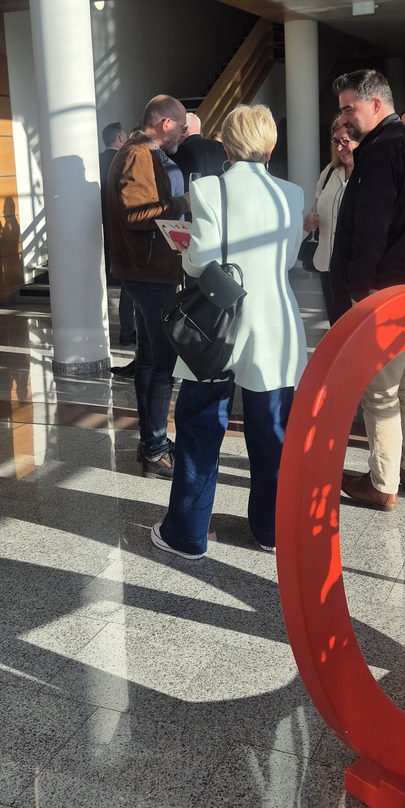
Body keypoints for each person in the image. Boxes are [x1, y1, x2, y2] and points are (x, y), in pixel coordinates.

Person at [153, 104, 306, 558]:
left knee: (200, 427)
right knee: (272, 431)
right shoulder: (291, 194)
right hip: (274, 323)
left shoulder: (209, 189)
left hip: (217, 321)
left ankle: (187, 534)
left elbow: (199, 262)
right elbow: (289, 259)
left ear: (227, 147)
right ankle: (271, 531)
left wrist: (185, 249)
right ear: (271, 147)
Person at [331, 70, 405, 510]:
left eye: (350, 108)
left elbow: (371, 229)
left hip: (387, 291)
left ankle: (383, 484)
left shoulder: (380, 152)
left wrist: (359, 290)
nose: (345, 118)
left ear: (376, 105)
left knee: (381, 391)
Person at [106, 95, 190, 478]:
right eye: (182, 127)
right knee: (162, 362)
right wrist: (182, 202)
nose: (184, 134)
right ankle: (155, 450)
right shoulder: (139, 154)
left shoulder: (137, 151)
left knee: (149, 357)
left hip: (144, 270)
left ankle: (150, 441)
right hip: (148, 272)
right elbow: (138, 214)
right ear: (166, 124)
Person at [303, 117, 357, 325]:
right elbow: (316, 209)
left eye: (346, 141)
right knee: (337, 326)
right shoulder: (329, 173)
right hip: (327, 265)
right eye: (336, 142)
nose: (340, 148)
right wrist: (310, 220)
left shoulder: (370, 173)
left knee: (356, 329)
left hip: (354, 267)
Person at [98, 121, 135, 352]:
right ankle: (127, 329)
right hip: (120, 229)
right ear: (121, 138)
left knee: (97, 279)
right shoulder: (124, 161)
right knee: (128, 282)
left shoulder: (96, 161)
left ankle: (97, 328)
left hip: (96, 228)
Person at [171, 112, 227, 190]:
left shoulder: (177, 152)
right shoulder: (222, 148)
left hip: (189, 196)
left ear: (184, 128)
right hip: (219, 195)